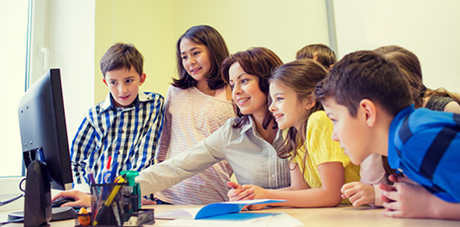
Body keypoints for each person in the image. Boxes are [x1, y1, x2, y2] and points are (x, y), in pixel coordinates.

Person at [53, 47, 290, 208]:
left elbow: (325, 190)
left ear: (269, 81)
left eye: (244, 81)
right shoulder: (232, 132)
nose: (235, 92)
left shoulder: (298, 127)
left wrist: (265, 196)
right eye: (231, 83)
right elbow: (174, 168)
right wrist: (101, 198)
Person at [316, 50, 460, 220]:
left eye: (335, 120)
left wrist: (431, 206)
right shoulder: (405, 141)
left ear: (367, 113)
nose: (334, 136)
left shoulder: (414, 139)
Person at [227, 59, 360, 209]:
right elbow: (297, 189)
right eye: (272, 99)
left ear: (309, 100)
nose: (271, 107)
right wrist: (255, 197)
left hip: (357, 212)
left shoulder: (319, 121)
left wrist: (268, 196)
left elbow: (332, 195)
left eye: (279, 99)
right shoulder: (291, 133)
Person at [152, 25, 235, 205]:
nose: (189, 61)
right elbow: (163, 141)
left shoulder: (233, 92)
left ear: (214, 50)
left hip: (214, 196)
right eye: (184, 57)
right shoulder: (175, 91)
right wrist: (150, 188)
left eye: (195, 53)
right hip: (169, 196)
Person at [71, 43, 165, 192]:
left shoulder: (154, 105)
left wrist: (135, 192)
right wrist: (84, 192)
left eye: (129, 81)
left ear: (141, 78)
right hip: (99, 197)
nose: (122, 90)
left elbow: (146, 153)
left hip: (138, 194)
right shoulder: (94, 115)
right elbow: (75, 160)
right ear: (105, 82)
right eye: (113, 83)